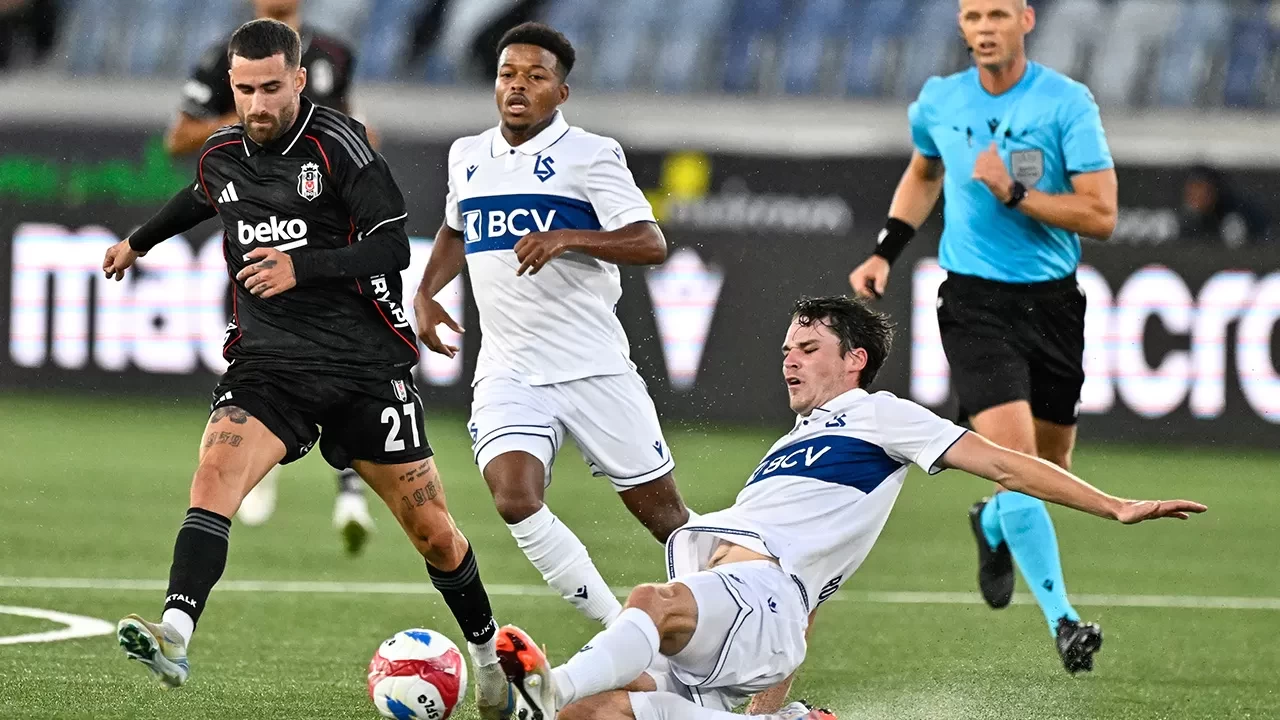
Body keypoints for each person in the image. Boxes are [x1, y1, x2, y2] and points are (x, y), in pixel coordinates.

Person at [490, 295, 1206, 720]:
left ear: (855, 360)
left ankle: (550, 685)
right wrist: (775, 695)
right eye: (786, 349)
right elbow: (814, 590)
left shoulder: (881, 415)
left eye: (808, 348)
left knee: (646, 604)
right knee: (591, 713)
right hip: (743, 615)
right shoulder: (789, 443)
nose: (789, 360)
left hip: (751, 605)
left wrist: (1114, 506)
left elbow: (1003, 462)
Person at [102, 20, 510, 716]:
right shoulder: (222, 151)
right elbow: (202, 197)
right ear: (231, 87)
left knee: (434, 534)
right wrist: (138, 242)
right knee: (214, 474)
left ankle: (488, 658)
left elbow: (393, 248)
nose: (257, 104)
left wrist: (302, 267)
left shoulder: (340, 146)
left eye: (270, 88)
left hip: (362, 366)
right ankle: (174, 632)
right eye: (244, 90)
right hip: (269, 365)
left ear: (298, 79)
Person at [847, 0, 1119, 672]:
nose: (985, 28)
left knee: (1049, 472)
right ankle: (1065, 623)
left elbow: (1102, 215)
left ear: (1026, 20)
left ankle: (992, 520)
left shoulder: (1066, 103)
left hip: (1053, 304)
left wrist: (1016, 194)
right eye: (973, 16)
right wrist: (885, 250)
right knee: (1017, 461)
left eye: (998, 14)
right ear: (962, 27)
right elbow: (924, 170)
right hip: (973, 303)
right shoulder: (939, 100)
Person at [412, 22, 691, 629]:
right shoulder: (467, 155)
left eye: (535, 77)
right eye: (508, 74)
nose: (518, 86)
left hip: (593, 368)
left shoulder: (592, 154)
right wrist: (427, 292)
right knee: (514, 498)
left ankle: (742, 610)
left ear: (560, 93)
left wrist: (568, 236)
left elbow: (651, 242)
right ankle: (619, 630)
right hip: (509, 371)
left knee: (668, 522)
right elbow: (455, 229)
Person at [164, 0, 376, 553]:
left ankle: (349, 489)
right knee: (271, 342)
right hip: (260, 223)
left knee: (346, 347)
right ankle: (267, 441)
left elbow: (355, 131)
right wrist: (258, 115)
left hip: (327, 228)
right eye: (247, 86)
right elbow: (179, 137)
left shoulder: (333, 54)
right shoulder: (222, 58)